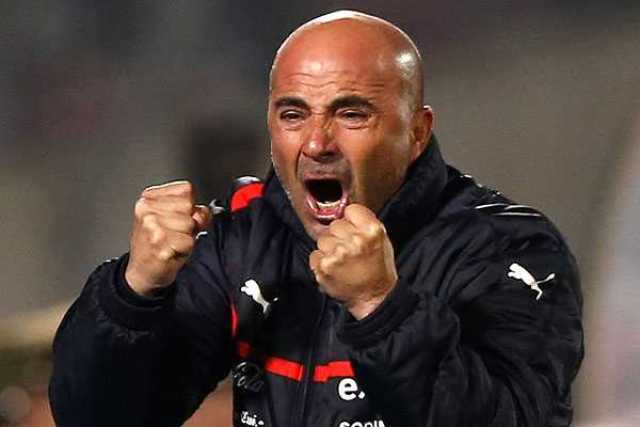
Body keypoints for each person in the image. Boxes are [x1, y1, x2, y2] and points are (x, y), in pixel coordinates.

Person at [49, 11, 583, 427]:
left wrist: (381, 306)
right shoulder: (241, 233)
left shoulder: (511, 248)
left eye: (351, 114)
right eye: (293, 114)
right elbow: (99, 417)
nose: (316, 143)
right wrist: (134, 292)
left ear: (416, 133)